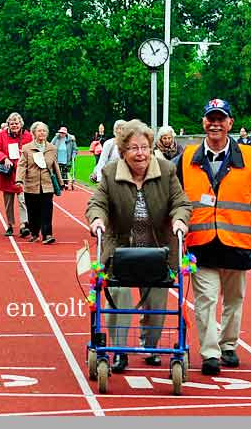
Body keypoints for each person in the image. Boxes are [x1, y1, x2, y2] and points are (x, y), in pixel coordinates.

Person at [174, 98, 251, 376]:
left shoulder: (248, 159)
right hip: (201, 245)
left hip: (236, 244)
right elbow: (169, 192)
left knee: (234, 300)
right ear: (203, 122)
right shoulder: (186, 159)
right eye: (210, 119)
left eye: (220, 119)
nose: (215, 124)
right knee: (206, 299)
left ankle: (228, 345)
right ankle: (210, 353)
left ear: (230, 123)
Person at [86, 119, 192, 373]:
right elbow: (97, 203)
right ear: (123, 151)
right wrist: (97, 219)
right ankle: (119, 349)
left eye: (144, 147)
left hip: (157, 250)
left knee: (156, 300)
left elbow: (181, 202)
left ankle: (150, 346)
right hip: (121, 251)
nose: (140, 153)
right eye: (133, 148)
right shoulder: (111, 173)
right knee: (119, 295)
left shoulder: (166, 170)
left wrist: (179, 220)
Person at [15, 121, 63, 244]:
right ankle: (34, 233)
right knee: (33, 211)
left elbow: (55, 165)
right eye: (39, 131)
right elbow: (22, 165)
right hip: (31, 184)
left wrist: (60, 182)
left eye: (44, 131)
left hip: (47, 185)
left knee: (47, 210)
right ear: (34, 133)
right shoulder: (27, 148)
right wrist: (19, 180)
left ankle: (47, 234)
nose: (42, 133)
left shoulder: (52, 148)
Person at [0, 112, 33, 237]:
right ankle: (10, 224)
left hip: (22, 172)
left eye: (16, 123)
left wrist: (25, 155)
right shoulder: (2, 135)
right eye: (12, 123)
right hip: (7, 173)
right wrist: (4, 158)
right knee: (8, 201)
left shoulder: (27, 135)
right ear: (8, 124)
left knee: (23, 199)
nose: (14, 125)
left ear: (21, 124)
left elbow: (33, 150)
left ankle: (24, 224)